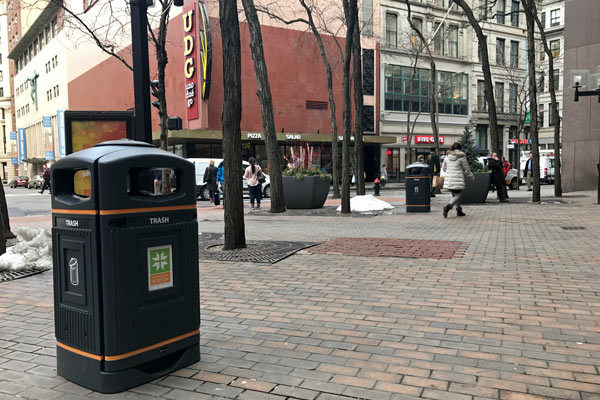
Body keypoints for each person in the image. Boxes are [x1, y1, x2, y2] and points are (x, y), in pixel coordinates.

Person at [442, 142, 474, 218]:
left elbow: (443, 168)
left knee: (455, 195)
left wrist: (450, 171)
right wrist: (471, 177)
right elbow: (466, 169)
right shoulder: (461, 156)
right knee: (458, 195)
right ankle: (448, 206)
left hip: (449, 179)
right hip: (458, 178)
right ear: (460, 148)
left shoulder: (447, 156)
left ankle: (458, 210)